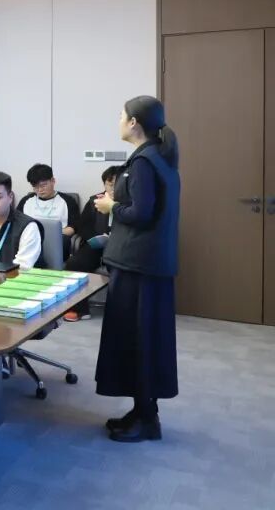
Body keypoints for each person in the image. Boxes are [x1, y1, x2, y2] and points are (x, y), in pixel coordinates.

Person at [94, 96, 180, 443]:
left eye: (121, 116)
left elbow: (141, 213)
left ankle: (146, 419)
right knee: (143, 339)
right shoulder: (159, 157)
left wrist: (110, 205)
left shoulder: (143, 162)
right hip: (148, 265)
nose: (118, 121)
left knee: (138, 340)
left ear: (134, 123)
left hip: (138, 266)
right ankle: (143, 411)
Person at [62, 165, 123, 322]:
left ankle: (120, 311)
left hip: (120, 247)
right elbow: (83, 226)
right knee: (74, 263)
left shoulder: (128, 203)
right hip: (97, 245)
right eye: (110, 184)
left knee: (122, 269)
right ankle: (79, 309)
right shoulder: (94, 200)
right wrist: (96, 238)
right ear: (104, 185)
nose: (114, 189)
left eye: (117, 184)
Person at [17, 164, 80, 258]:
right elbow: (16, 224)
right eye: (35, 187)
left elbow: (73, 228)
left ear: (53, 181)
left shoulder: (68, 201)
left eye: (43, 185)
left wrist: (51, 233)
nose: (40, 190)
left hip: (57, 239)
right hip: (29, 239)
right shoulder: (26, 201)